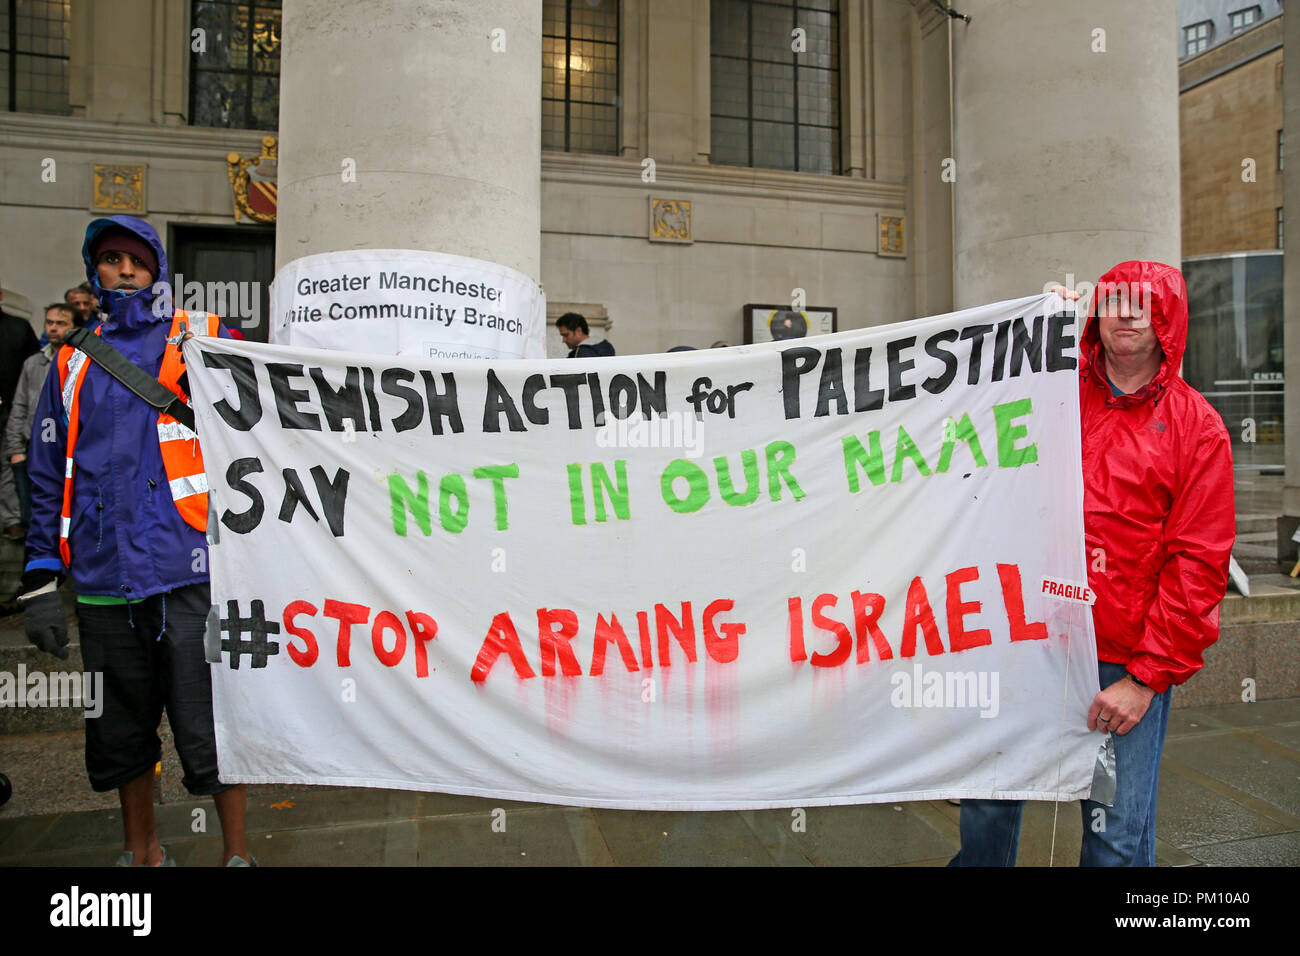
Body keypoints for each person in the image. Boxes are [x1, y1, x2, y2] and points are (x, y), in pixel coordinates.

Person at [950, 261, 1234, 867]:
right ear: (1095, 313)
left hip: (1122, 660)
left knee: (1114, 837)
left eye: (1144, 303)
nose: (1127, 314)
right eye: (1114, 301)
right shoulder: (1046, 386)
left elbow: (1198, 565)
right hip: (1024, 637)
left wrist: (1145, 679)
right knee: (987, 812)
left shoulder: (1197, 429)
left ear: (1168, 321)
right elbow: (959, 403)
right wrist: (1031, 332)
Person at [17, 215, 254, 867]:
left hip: (190, 569)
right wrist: (41, 574)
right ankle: (142, 853)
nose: (125, 271)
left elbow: (274, 397)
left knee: (212, 727)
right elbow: (46, 470)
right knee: (121, 732)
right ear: (95, 272)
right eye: (111, 260)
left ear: (157, 269)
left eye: (136, 261)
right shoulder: (69, 363)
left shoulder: (204, 334)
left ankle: (235, 854)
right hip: (103, 580)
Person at [4, 303, 76, 532]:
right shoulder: (33, 363)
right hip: (33, 448)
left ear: (75, 327)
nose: (53, 328)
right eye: (50, 322)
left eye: (61, 323)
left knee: (65, 516)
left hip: (68, 450)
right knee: (34, 515)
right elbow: (20, 407)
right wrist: (16, 449)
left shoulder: (81, 362)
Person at [0, 281, 40, 540]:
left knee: (9, 461)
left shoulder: (18, 327)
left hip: (11, 407)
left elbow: (33, 369)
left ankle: (12, 518)